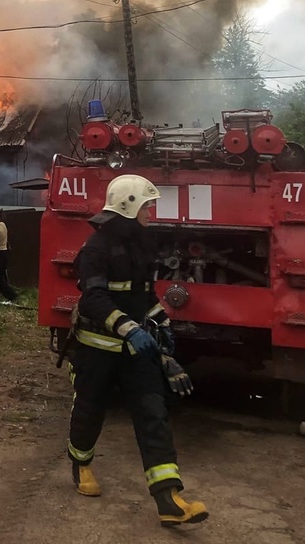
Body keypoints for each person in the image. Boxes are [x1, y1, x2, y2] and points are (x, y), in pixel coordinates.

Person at [67, 174, 208, 526]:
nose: (152, 211)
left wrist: (161, 322)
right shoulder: (96, 249)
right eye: (147, 205)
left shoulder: (143, 244)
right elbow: (94, 298)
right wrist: (128, 328)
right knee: (90, 409)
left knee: (153, 412)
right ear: (128, 206)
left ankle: (168, 499)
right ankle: (81, 464)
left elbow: (143, 295)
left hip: (136, 349)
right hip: (97, 347)